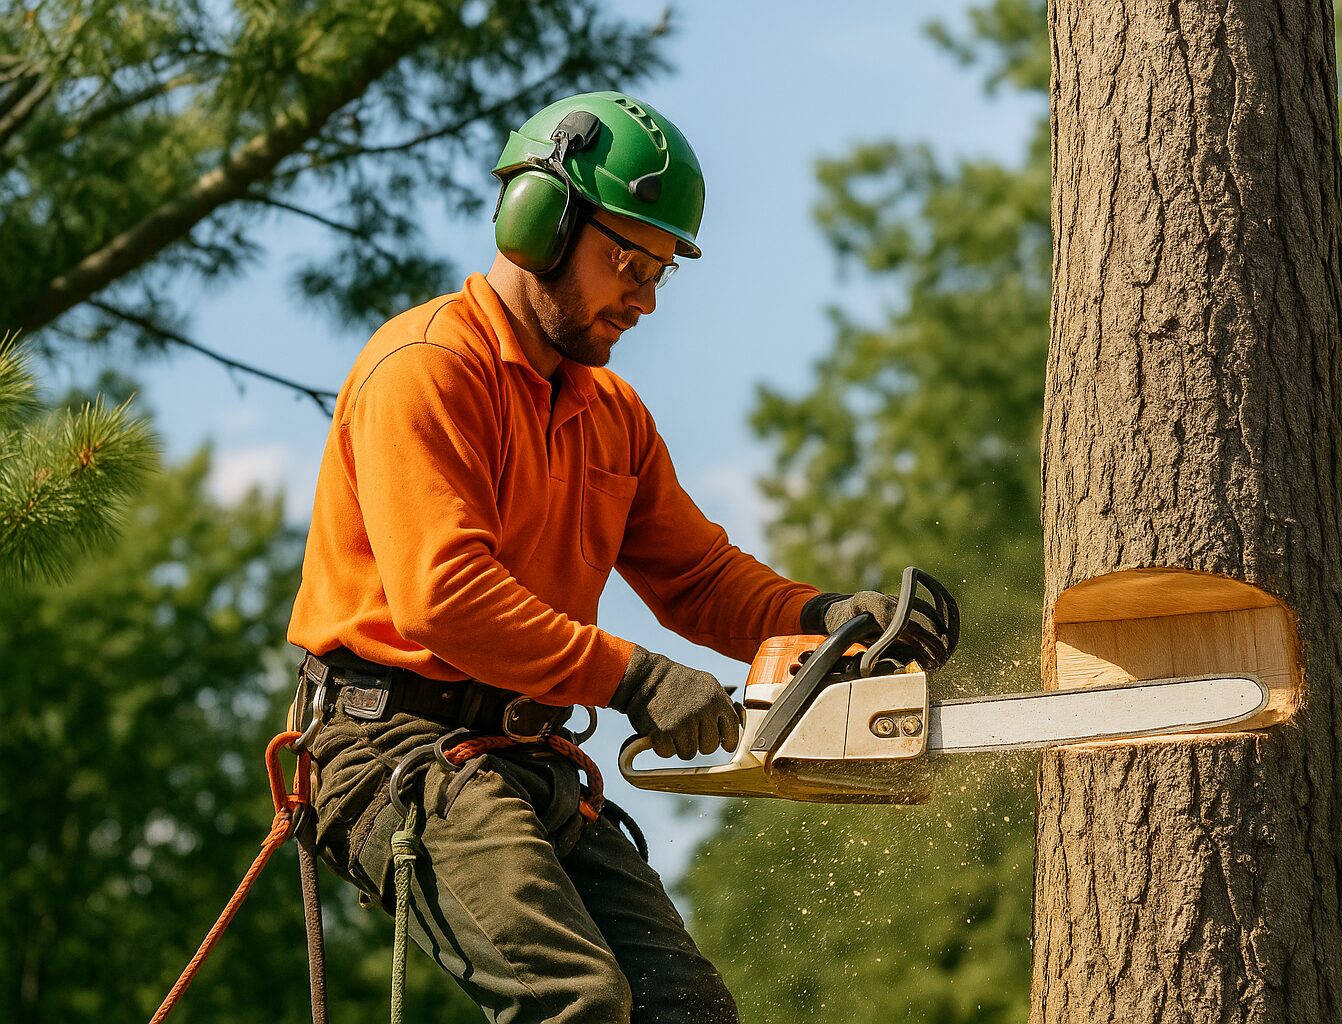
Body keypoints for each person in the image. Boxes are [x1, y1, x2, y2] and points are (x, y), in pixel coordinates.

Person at [286, 91, 945, 1023]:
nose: (641, 293)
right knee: (578, 1004)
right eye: (624, 259)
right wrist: (632, 678)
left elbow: (698, 577)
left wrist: (824, 618)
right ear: (539, 226)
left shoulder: (611, 414)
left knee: (687, 1009)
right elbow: (445, 599)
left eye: (660, 271)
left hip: (525, 752)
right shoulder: (427, 369)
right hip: (391, 741)